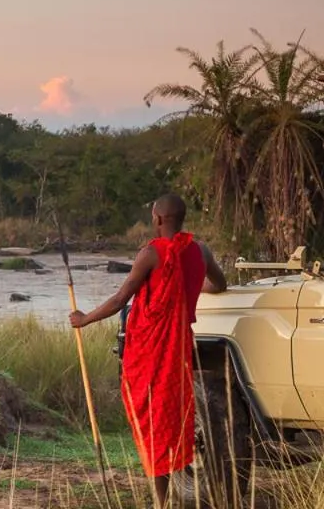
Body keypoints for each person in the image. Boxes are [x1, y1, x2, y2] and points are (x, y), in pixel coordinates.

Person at [68, 193, 227, 508]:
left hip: (150, 351)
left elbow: (119, 299)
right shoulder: (201, 251)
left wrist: (83, 319)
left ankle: (160, 501)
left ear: (158, 219)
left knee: (154, 423)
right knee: (171, 420)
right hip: (179, 347)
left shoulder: (151, 254)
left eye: (152, 215)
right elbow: (220, 284)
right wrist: (193, 289)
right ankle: (167, 496)